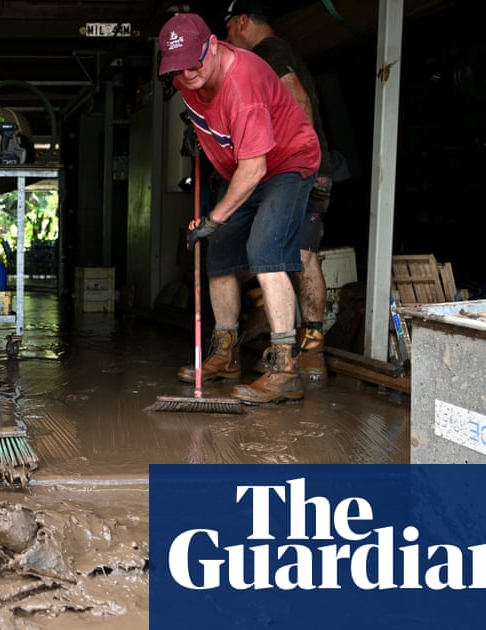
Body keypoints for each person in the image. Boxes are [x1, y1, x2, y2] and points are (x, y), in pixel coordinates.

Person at [160, 12, 320, 403]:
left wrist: (214, 218)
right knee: (221, 255)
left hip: (285, 164)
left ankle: (285, 369)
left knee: (264, 251)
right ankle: (225, 354)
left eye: (194, 63)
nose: (188, 74)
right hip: (244, 169)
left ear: (214, 45)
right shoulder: (187, 78)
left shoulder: (243, 82)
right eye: (178, 69)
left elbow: (255, 167)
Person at [224, 0, 343, 385]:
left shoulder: (269, 53)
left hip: (301, 169)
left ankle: (295, 355)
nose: (229, 39)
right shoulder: (283, 51)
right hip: (312, 167)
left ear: (243, 21)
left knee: (284, 257)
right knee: (300, 257)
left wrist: (297, 162)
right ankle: (309, 355)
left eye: (228, 30)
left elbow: (298, 100)